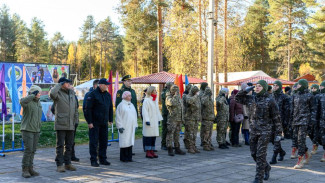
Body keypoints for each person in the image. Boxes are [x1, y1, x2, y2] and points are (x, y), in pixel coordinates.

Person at [236, 80, 282, 183]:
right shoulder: (251, 99)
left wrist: (279, 133)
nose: (257, 87)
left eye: (260, 86)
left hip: (265, 132)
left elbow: (276, 118)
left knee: (261, 155)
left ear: (264, 88)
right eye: (256, 86)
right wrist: (244, 90)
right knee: (254, 154)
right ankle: (266, 167)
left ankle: (258, 178)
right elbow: (237, 98)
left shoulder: (270, 100)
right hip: (253, 131)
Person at [49, 77, 78, 172]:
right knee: (60, 145)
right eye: (67, 83)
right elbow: (52, 94)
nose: (69, 84)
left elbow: (75, 108)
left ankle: (68, 163)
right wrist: (59, 84)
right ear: (62, 84)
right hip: (61, 123)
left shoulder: (72, 93)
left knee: (69, 145)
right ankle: (60, 164)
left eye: (70, 83)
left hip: (71, 123)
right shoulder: (58, 93)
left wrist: (76, 120)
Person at [85, 78, 113, 167]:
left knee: (104, 142)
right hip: (94, 123)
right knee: (94, 142)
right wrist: (89, 122)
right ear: (100, 85)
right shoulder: (92, 94)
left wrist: (110, 119)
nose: (108, 86)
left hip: (104, 122)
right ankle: (93, 160)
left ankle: (103, 159)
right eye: (106, 85)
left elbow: (110, 108)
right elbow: (87, 109)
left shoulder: (108, 95)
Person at [290, 79, 315, 169]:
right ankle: (306, 153)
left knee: (301, 140)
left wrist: (311, 123)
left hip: (304, 121)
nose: (297, 86)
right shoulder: (295, 96)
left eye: (299, 85)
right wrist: (291, 121)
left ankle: (300, 160)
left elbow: (313, 110)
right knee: (297, 140)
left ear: (304, 85)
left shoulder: (309, 96)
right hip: (296, 121)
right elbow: (292, 110)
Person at [20, 85, 42, 178]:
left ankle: (30, 168)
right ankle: (25, 169)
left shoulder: (38, 102)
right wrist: (32, 95)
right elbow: (22, 101)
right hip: (27, 129)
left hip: (36, 130)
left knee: (33, 150)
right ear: (34, 93)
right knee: (28, 150)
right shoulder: (27, 102)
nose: (40, 94)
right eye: (38, 93)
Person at [116, 91, 138, 162]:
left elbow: (134, 115)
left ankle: (129, 156)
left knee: (130, 141)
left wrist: (136, 124)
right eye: (129, 96)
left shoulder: (131, 105)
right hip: (124, 126)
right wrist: (119, 126)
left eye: (130, 96)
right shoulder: (121, 105)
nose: (130, 97)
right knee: (124, 141)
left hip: (131, 126)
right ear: (125, 97)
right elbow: (118, 117)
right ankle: (123, 157)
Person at [269, 80, 287, 164]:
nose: (274, 87)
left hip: (280, 121)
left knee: (277, 139)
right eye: (274, 85)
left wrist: (286, 122)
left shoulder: (284, 97)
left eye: (276, 85)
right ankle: (282, 152)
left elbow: (287, 111)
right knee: (272, 139)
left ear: (280, 87)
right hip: (271, 121)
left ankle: (274, 157)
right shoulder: (270, 96)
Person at [142, 86, 163, 158]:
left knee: (153, 136)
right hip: (149, 121)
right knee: (148, 136)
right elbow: (145, 112)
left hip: (154, 121)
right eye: (154, 90)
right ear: (150, 92)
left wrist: (158, 119)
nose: (156, 91)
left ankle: (152, 150)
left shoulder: (155, 100)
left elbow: (157, 110)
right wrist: (147, 120)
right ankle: (148, 151)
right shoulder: (146, 100)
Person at [166, 85, 186, 156]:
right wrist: (175, 96)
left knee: (177, 134)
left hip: (179, 119)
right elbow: (171, 103)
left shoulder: (178, 98)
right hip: (172, 119)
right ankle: (170, 148)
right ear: (172, 91)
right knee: (170, 134)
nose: (177, 92)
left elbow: (181, 108)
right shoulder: (169, 97)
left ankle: (177, 148)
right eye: (176, 90)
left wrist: (182, 118)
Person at [184, 86, 201, 154]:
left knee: (194, 134)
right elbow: (189, 101)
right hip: (190, 118)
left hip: (196, 118)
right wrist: (196, 96)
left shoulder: (196, 98)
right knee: (190, 134)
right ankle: (190, 147)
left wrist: (199, 116)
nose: (198, 93)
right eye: (197, 91)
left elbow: (199, 107)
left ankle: (194, 146)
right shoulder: (188, 96)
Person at [200, 87, 215, 151]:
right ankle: (205, 145)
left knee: (210, 133)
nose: (211, 94)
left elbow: (212, 108)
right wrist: (207, 96)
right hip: (206, 118)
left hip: (210, 118)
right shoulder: (204, 98)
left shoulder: (210, 99)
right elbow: (204, 103)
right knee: (206, 132)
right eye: (209, 93)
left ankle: (208, 144)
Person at [161, 82, 174, 150]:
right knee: (165, 129)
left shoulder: (169, 92)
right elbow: (165, 97)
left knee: (170, 129)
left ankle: (169, 144)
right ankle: (163, 144)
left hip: (170, 113)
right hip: (165, 113)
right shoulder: (164, 92)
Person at [309, 84, 320, 155]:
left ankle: (315, 145)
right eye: (312, 88)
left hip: (319, 118)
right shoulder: (309, 96)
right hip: (310, 118)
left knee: (317, 133)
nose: (313, 89)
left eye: (314, 88)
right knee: (310, 132)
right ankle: (315, 144)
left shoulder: (320, 96)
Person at [316, 81, 325, 162]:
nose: (320, 88)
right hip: (321, 120)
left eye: (322, 86)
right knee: (322, 137)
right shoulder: (319, 96)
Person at [183, 84, 192, 149]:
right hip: (187, 115)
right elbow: (189, 103)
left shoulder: (189, 95)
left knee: (190, 131)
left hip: (190, 115)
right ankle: (187, 143)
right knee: (188, 130)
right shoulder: (185, 95)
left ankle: (190, 144)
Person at [199, 82, 208, 146]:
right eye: (206, 86)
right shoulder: (201, 93)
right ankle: (203, 141)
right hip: (202, 112)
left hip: (207, 112)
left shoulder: (205, 93)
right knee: (203, 128)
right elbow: (202, 103)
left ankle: (206, 140)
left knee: (206, 128)